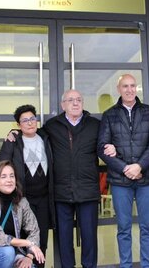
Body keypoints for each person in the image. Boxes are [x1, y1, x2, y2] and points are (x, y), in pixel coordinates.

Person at [97, 74, 149, 268]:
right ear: (119, 89)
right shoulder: (109, 115)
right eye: (125, 86)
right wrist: (126, 168)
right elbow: (102, 148)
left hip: (146, 179)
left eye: (133, 86)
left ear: (137, 88)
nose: (129, 89)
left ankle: (147, 265)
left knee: (147, 227)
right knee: (124, 227)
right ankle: (125, 265)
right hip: (120, 181)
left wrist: (139, 166)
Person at [44, 90, 100, 268]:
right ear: (63, 105)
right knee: (64, 237)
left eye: (78, 100)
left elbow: (109, 142)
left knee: (90, 236)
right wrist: (15, 132)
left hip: (88, 190)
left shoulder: (95, 125)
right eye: (70, 100)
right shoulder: (51, 126)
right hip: (62, 192)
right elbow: (32, 136)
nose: (75, 103)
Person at [0, 104, 54, 267]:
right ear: (18, 125)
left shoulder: (46, 138)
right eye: (25, 120)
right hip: (21, 199)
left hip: (43, 199)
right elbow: (2, 164)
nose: (30, 123)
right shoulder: (14, 141)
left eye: (32, 119)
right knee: (22, 240)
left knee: (41, 240)